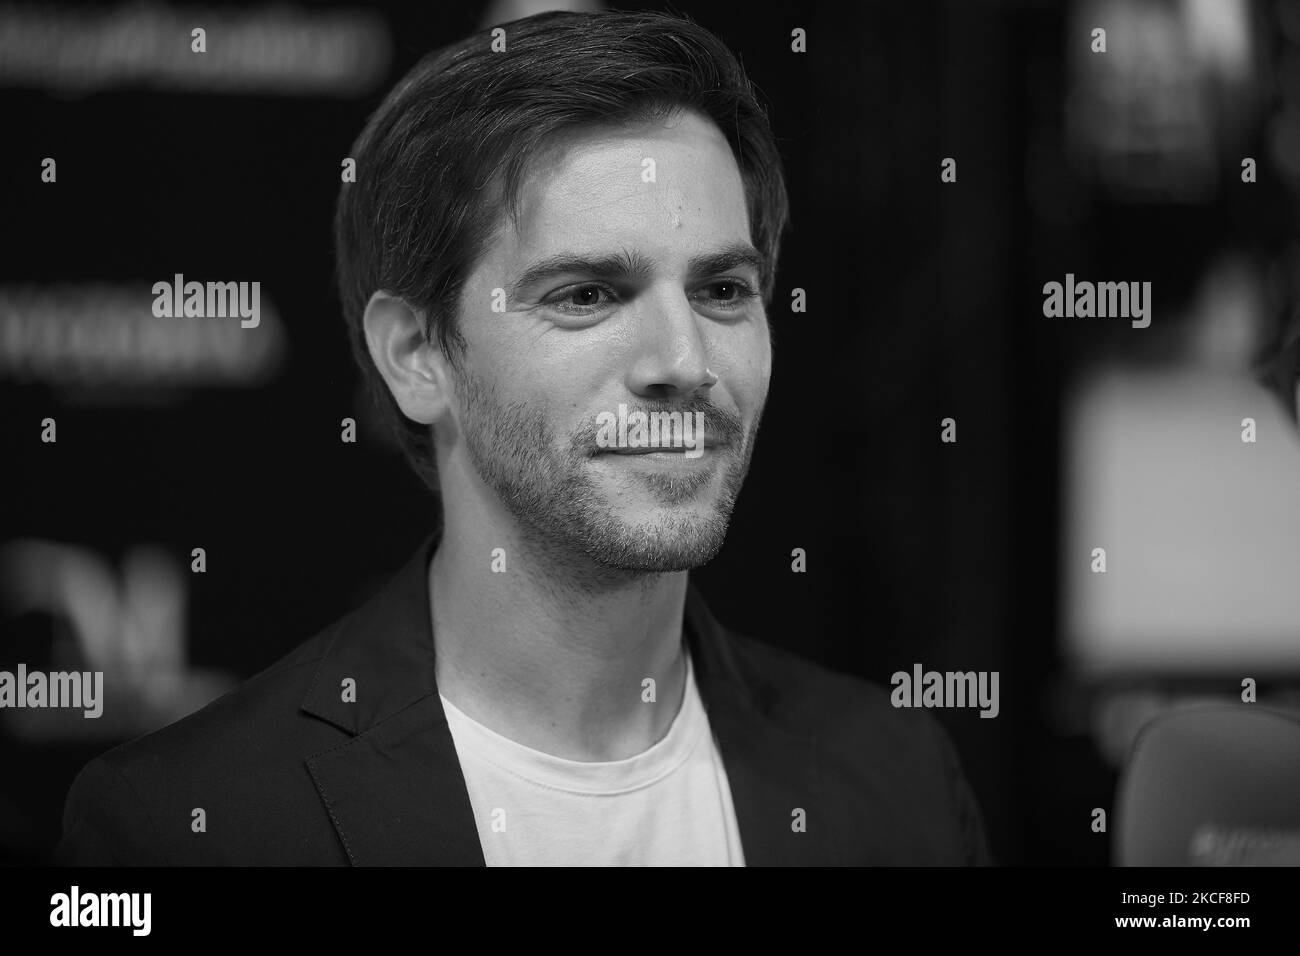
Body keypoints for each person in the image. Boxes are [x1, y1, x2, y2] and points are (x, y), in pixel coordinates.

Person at [56, 9, 992, 866]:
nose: (683, 358)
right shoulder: (187, 823)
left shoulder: (898, 782)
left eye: (721, 290)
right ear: (417, 353)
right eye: (586, 294)